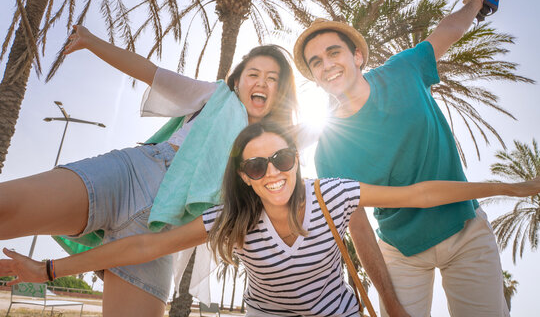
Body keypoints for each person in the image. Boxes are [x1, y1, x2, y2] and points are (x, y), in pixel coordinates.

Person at [2, 122, 539, 317]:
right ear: (245, 175)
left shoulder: (336, 194)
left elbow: (420, 193)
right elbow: (144, 249)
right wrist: (48, 271)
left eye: (281, 158)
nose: (273, 171)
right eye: (257, 165)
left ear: (296, 160)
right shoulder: (230, 219)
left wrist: (508, 186)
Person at [0, 25, 298, 316]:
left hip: (164, 230)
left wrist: (47, 270)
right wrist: (91, 41)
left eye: (272, 79)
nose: (262, 82)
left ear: (280, 92)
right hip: (132, 176)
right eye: (254, 74)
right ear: (237, 82)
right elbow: (151, 72)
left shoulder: (276, 156)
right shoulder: (215, 95)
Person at [293, 0, 512, 316]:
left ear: (357, 56)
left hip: (465, 229)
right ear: (315, 77)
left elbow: (447, 31)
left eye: (333, 52)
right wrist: (390, 302)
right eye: (316, 62)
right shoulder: (329, 151)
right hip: (400, 250)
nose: (326, 64)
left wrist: (475, 3)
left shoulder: (403, 70)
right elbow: (359, 226)